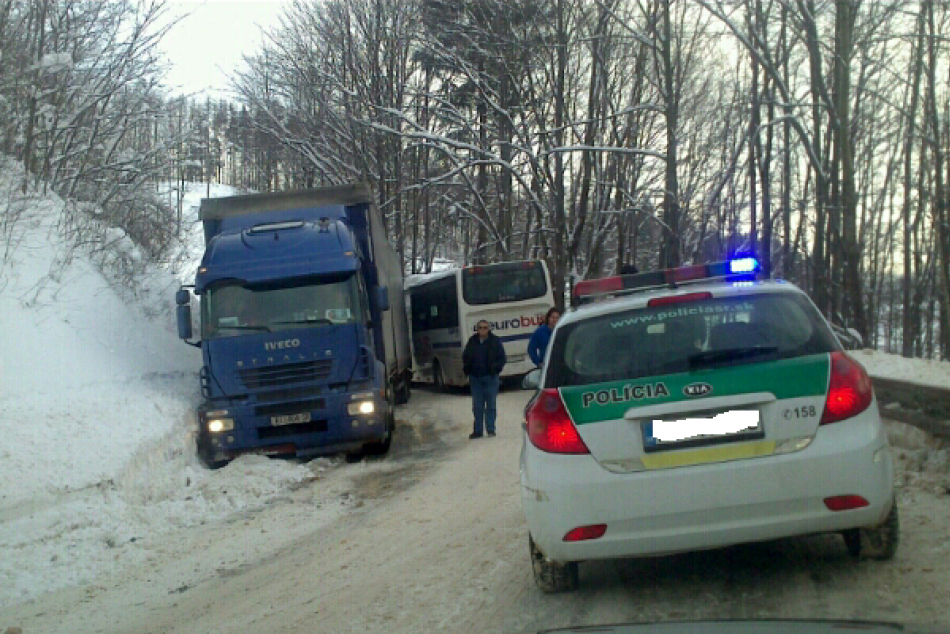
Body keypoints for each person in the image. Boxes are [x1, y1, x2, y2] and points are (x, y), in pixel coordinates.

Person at [462, 320, 507, 439]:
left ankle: (491, 429)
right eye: (480, 328)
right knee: (477, 405)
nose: (483, 330)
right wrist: (468, 369)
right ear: (477, 329)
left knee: (491, 404)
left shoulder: (495, 341)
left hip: (491, 377)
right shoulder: (472, 341)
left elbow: (502, 358)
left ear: (489, 329)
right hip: (475, 378)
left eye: (485, 327)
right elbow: (465, 356)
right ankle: (478, 431)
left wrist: (496, 369)